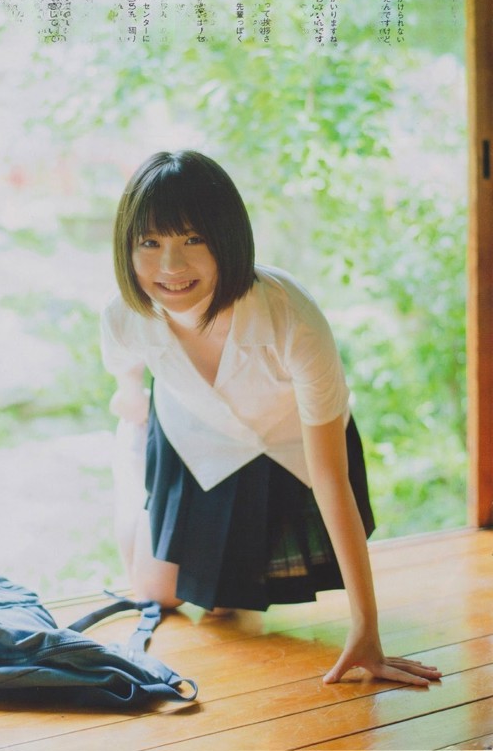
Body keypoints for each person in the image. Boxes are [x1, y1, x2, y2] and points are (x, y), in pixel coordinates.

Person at [100, 150, 441, 686]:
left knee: (230, 604)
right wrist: (130, 403)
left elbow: (330, 474)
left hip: (291, 445)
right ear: (127, 245)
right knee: (154, 594)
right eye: (151, 242)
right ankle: (132, 451)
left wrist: (367, 628)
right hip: (194, 437)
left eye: (193, 239)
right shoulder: (122, 317)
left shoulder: (291, 316)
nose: (171, 266)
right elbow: (124, 368)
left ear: (228, 239)